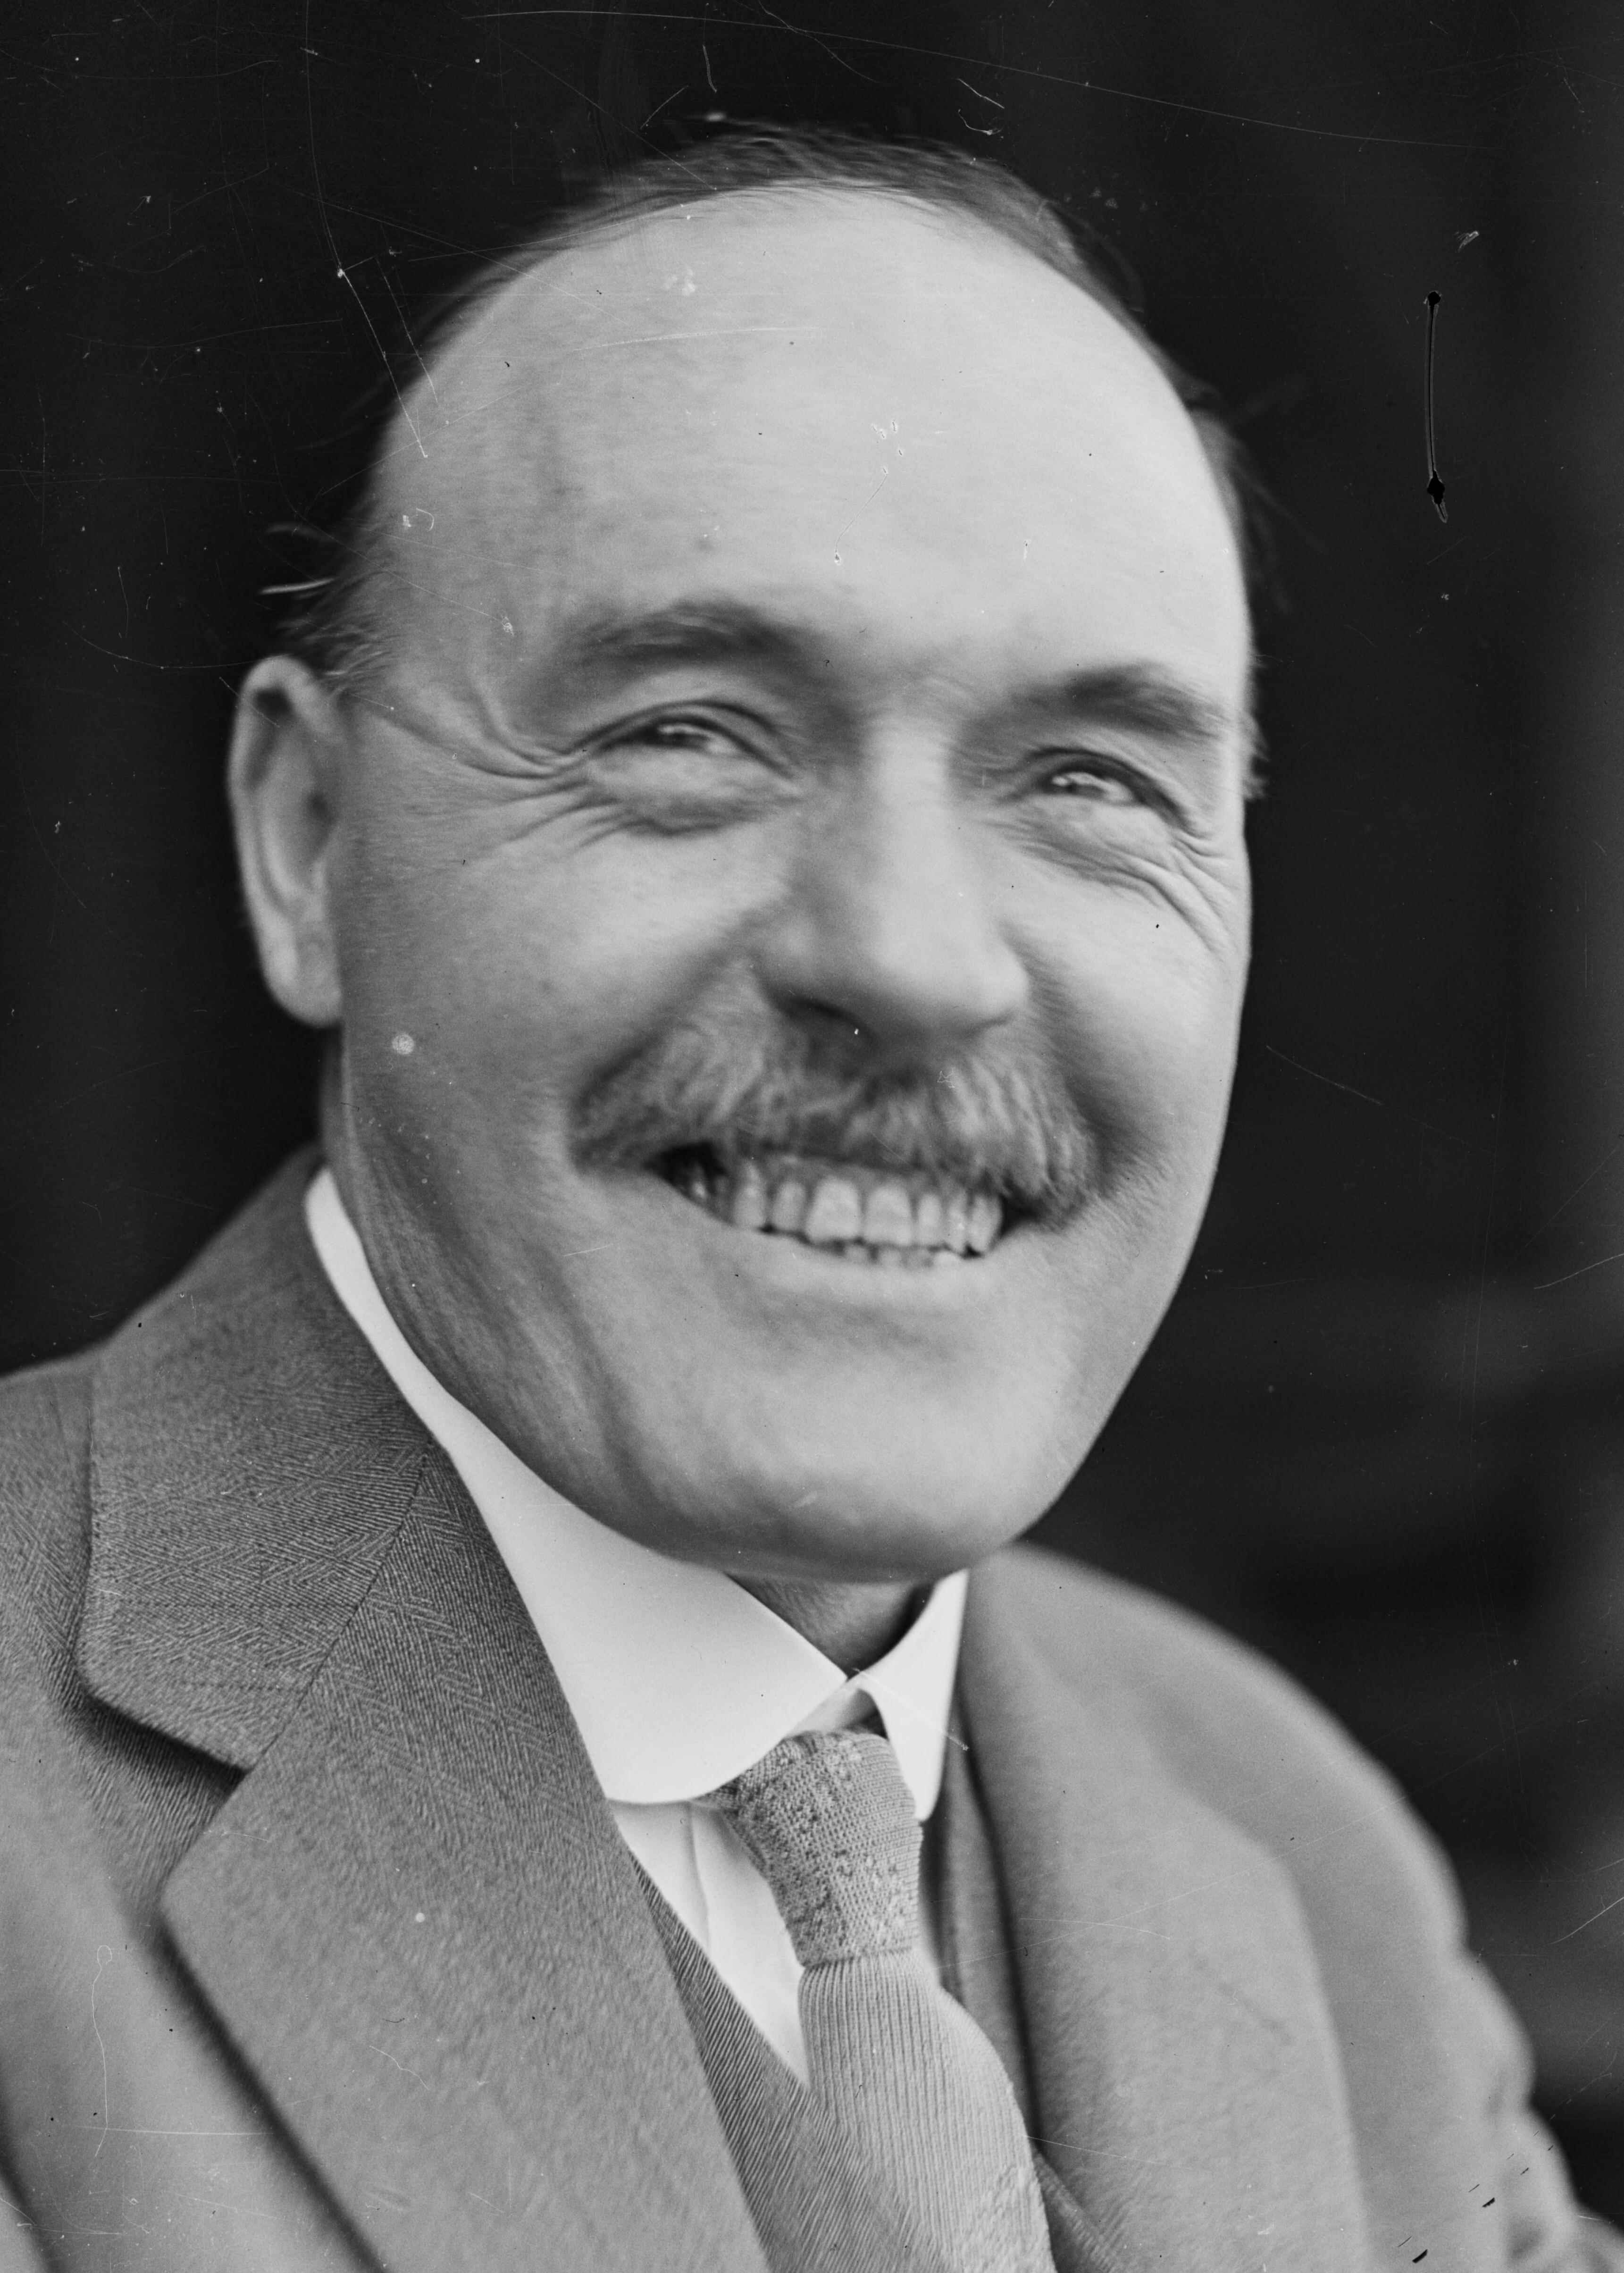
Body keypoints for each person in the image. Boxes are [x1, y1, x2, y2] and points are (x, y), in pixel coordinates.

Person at [0, 128, 1615, 2273]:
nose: (914, 958)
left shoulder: (1299, 1846)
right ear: (308, 840)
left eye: (1089, 780)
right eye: (694, 732)